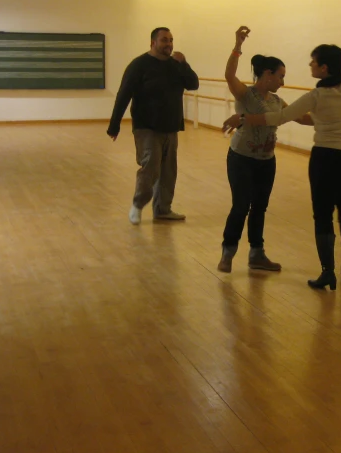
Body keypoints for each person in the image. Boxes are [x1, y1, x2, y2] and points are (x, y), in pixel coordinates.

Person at [222, 10, 341, 291]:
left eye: (313, 61)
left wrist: (242, 119)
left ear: (324, 68)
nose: (310, 64)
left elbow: (282, 117)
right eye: (282, 75)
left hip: (326, 158)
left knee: (321, 213)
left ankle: (327, 271)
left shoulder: (314, 96)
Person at [218, 26, 314, 273]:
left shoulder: (276, 101)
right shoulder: (247, 94)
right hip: (241, 159)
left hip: (266, 161)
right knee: (241, 206)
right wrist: (238, 45)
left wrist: (332, 116)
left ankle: (256, 254)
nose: (283, 81)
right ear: (268, 74)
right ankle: (228, 252)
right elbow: (229, 75)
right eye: (281, 76)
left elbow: (301, 117)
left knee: (259, 207)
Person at [107, 27, 199, 224]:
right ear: (153, 43)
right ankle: (138, 205)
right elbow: (124, 95)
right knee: (151, 167)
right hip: (146, 126)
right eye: (164, 40)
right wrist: (114, 125)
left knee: (168, 171)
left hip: (171, 126)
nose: (168, 44)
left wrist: (184, 63)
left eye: (171, 40)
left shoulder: (176, 65)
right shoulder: (139, 65)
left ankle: (163, 209)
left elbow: (193, 84)